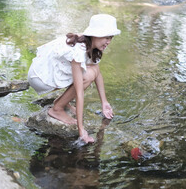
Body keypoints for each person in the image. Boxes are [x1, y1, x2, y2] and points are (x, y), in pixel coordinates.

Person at [27, 14, 121, 143]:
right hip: (40, 77)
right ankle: (57, 109)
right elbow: (79, 93)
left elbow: (98, 73)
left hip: (47, 71)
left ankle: (62, 102)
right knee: (88, 75)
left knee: (93, 70)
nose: (109, 41)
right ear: (96, 34)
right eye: (106, 37)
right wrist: (81, 130)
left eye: (111, 37)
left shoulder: (92, 44)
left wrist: (104, 103)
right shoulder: (79, 50)